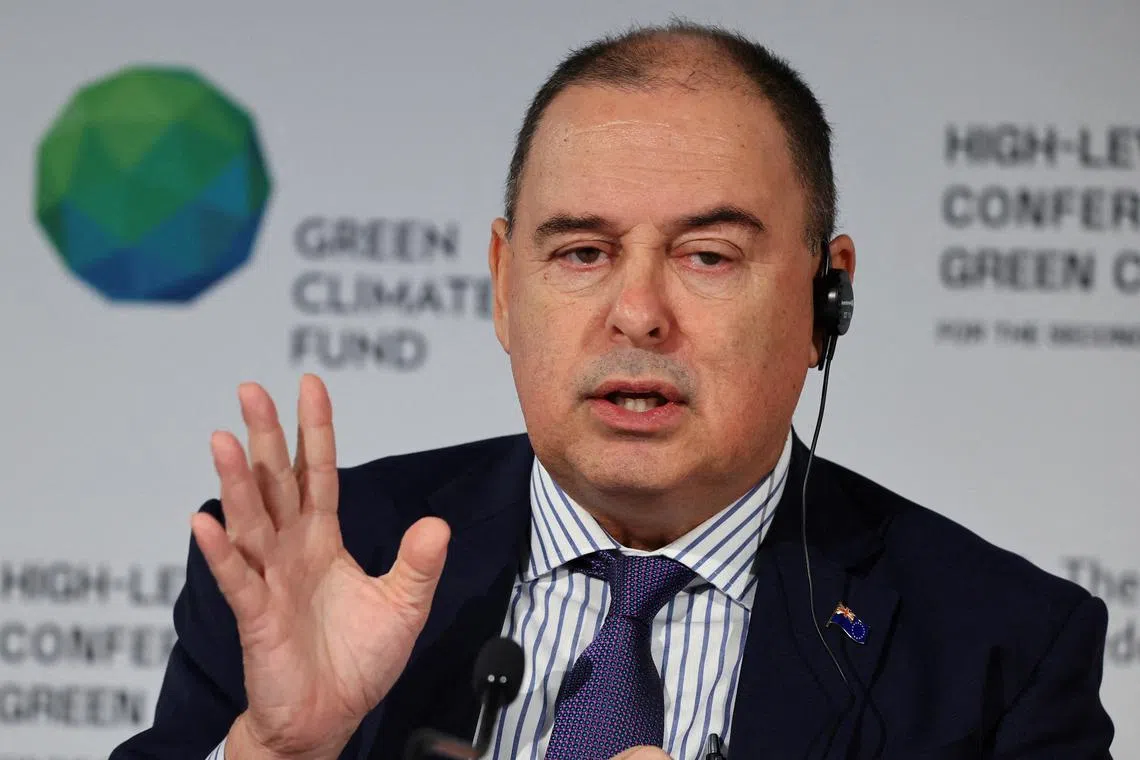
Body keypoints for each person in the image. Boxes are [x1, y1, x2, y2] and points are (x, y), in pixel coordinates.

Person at [111, 21, 1114, 760]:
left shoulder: (999, 648)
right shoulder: (307, 568)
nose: (637, 314)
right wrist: (275, 753)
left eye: (708, 255)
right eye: (582, 252)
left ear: (825, 297)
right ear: (504, 285)